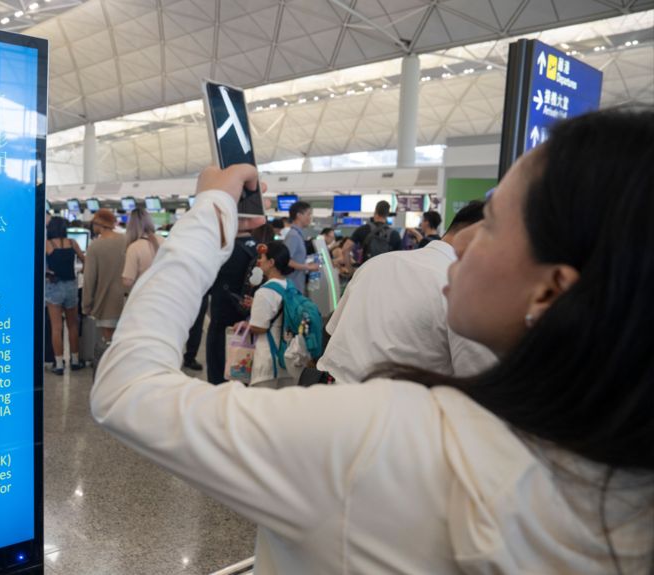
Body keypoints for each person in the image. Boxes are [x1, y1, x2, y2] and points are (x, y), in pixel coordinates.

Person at [91, 107, 654, 575]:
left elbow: (128, 389)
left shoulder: (387, 440)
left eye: (496, 222)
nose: (461, 241)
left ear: (551, 291)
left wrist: (208, 214)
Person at [318, 201, 495, 384]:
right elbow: (477, 381)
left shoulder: (375, 264)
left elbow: (332, 331)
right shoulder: (462, 289)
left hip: (331, 395)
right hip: (402, 407)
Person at [205, 230, 259, 384]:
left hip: (222, 314)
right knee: (242, 366)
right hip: (248, 316)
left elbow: (207, 283)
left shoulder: (224, 250)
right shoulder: (259, 247)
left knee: (219, 363)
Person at [243, 241, 294, 389]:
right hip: (287, 359)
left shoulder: (264, 291)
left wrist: (246, 325)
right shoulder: (289, 286)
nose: (259, 261)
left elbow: (260, 328)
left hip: (268, 362)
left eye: (262, 258)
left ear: (271, 262)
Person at [82, 208, 126, 355]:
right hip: (127, 302)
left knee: (108, 344)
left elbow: (89, 278)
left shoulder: (95, 246)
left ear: (99, 224)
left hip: (105, 304)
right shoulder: (126, 240)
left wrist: (86, 304)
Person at [44, 216, 85, 375]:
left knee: (56, 327)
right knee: (73, 325)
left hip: (54, 287)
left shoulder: (48, 244)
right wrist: (82, 271)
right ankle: (75, 361)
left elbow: (41, 266)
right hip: (71, 286)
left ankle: (59, 364)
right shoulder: (72, 243)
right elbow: (84, 259)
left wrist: (48, 273)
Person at [343, 200, 401, 267]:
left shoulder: (362, 230)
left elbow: (345, 249)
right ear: (387, 214)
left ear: (375, 212)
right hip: (386, 272)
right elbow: (399, 259)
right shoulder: (395, 234)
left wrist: (351, 271)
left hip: (367, 272)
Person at [121, 207, 163, 292]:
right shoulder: (163, 240)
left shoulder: (134, 247)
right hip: (162, 293)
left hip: (143, 296)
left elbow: (128, 281)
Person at [282, 201, 318, 292]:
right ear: (299, 215)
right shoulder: (293, 236)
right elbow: (286, 260)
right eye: (308, 214)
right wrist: (308, 267)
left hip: (296, 284)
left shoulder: (297, 235)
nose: (310, 218)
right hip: (292, 286)